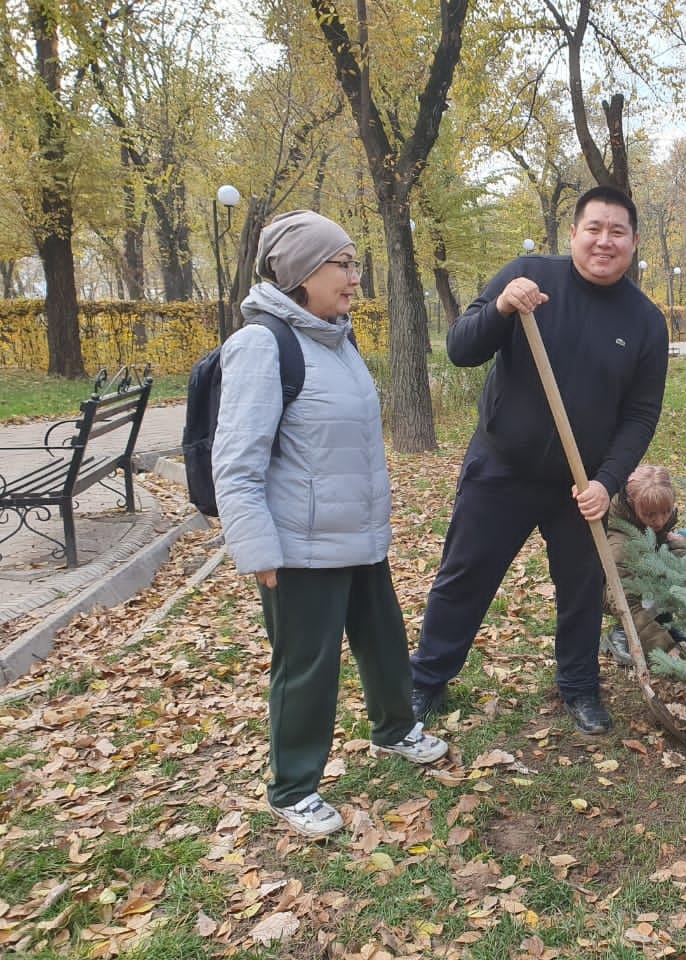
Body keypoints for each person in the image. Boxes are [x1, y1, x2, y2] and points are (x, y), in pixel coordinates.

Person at [213, 210, 449, 839]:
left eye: (353, 263)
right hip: (297, 550)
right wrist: (258, 550)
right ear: (300, 273)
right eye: (341, 264)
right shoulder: (264, 345)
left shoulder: (335, 339)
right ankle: (292, 787)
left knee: (382, 641)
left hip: (357, 537)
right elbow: (235, 462)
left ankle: (395, 729)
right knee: (308, 666)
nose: (354, 276)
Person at [409, 186, 668, 736]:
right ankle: (426, 679)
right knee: (464, 577)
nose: (604, 241)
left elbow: (642, 414)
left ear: (634, 241)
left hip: (580, 484)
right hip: (501, 467)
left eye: (617, 231)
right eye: (593, 228)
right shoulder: (529, 277)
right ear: (573, 233)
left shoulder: (645, 321)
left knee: (580, 590)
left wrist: (607, 481)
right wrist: (502, 306)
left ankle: (579, 687)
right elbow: (460, 349)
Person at [600, 464, 686, 668]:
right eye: (650, 515)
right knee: (645, 581)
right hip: (606, 590)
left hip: (640, 573)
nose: (660, 521)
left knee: (683, 555)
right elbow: (624, 601)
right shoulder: (621, 545)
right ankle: (622, 634)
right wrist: (666, 648)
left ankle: (663, 622)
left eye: (666, 512)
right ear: (631, 504)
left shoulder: (652, 514)